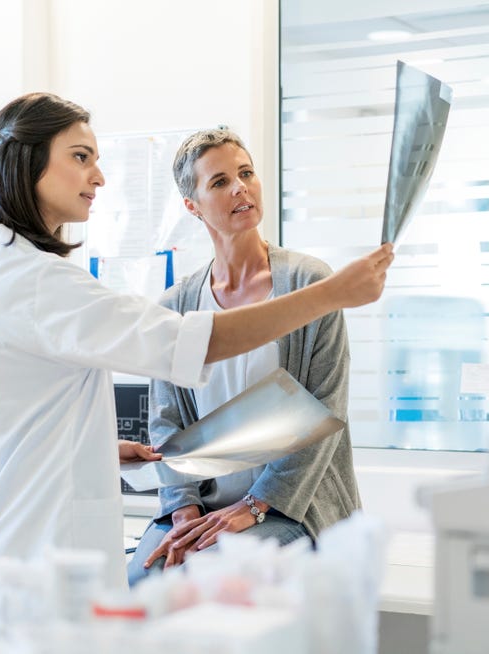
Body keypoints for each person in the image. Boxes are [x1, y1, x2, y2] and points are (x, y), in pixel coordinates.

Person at [0, 93, 393, 642]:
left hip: (270, 510)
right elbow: (187, 354)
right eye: (80, 157)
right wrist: (335, 293)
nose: (99, 177)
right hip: (40, 550)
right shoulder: (44, 283)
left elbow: (11, 419)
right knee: (156, 585)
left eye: (246, 173)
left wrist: (97, 448)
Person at [127, 129, 360, 583]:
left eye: (246, 173)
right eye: (219, 182)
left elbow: (326, 410)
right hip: (207, 506)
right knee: (143, 578)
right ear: (191, 205)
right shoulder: (176, 305)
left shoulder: (310, 284)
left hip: (292, 506)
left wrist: (253, 506)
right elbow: (165, 422)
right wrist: (183, 512)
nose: (240, 188)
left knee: (210, 579)